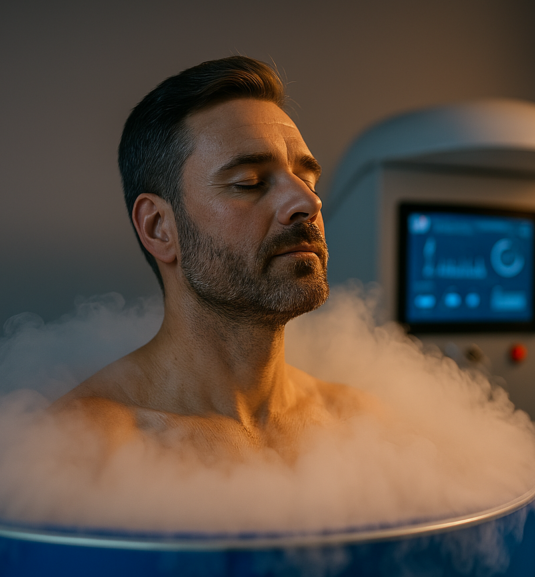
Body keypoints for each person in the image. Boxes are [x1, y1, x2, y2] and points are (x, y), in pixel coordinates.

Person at [54, 56, 369, 461]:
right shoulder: (85, 450)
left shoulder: (360, 426)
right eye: (249, 183)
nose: (308, 202)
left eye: (307, 180)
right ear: (158, 228)